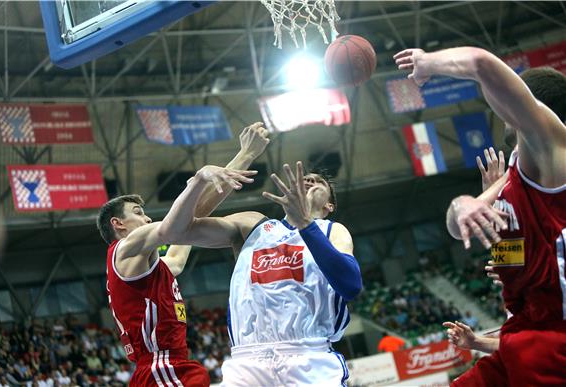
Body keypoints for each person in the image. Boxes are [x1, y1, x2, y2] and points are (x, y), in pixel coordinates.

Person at [395, 47, 566, 386]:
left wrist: (428, 63)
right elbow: (457, 225)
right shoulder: (517, 171)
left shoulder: (552, 148)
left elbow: (481, 64)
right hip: (522, 332)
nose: (500, 111)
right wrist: (465, 203)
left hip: (552, 338)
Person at [97, 123, 269, 386]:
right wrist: (199, 179)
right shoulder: (125, 248)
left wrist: (245, 155)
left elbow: (191, 220)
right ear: (118, 224)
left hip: (167, 366)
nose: (147, 217)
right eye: (137, 212)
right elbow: (170, 227)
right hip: (161, 365)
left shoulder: (151, 265)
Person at [169, 161, 362, 385]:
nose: (309, 181)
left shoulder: (333, 231)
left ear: (329, 206)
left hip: (309, 357)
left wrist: (305, 224)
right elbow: (174, 232)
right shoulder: (253, 225)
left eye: (318, 182)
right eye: (304, 178)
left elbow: (351, 285)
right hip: (247, 362)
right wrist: (199, 182)